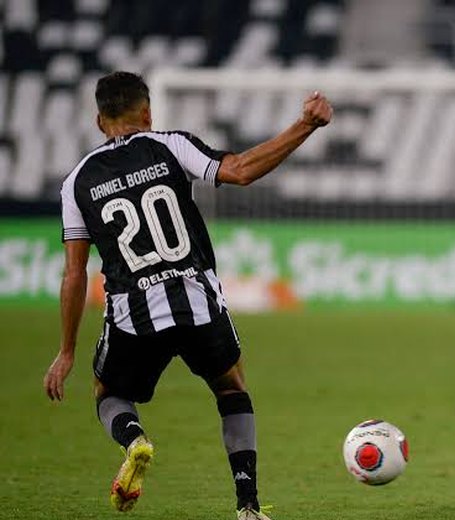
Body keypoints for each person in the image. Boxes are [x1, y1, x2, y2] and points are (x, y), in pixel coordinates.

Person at [43, 71, 332, 520]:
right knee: (231, 385)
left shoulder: (76, 182)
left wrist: (65, 351)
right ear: (147, 113)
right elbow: (239, 171)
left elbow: (75, 273)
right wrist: (305, 125)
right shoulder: (169, 145)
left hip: (132, 315)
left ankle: (135, 439)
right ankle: (248, 505)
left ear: (100, 121)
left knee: (109, 392)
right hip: (196, 301)